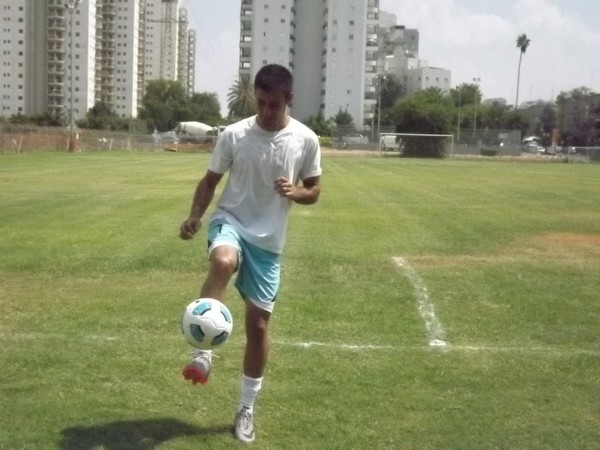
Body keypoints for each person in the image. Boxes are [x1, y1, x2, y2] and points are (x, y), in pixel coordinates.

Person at [179, 64, 322, 443]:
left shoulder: (305, 139)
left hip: (268, 242)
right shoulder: (235, 134)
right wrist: (195, 215)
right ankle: (204, 350)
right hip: (230, 221)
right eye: (260, 103)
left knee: (258, 328)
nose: (266, 112)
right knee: (223, 260)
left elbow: (314, 189)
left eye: (274, 104)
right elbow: (210, 181)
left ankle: (246, 408)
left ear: (289, 99)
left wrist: (296, 192)